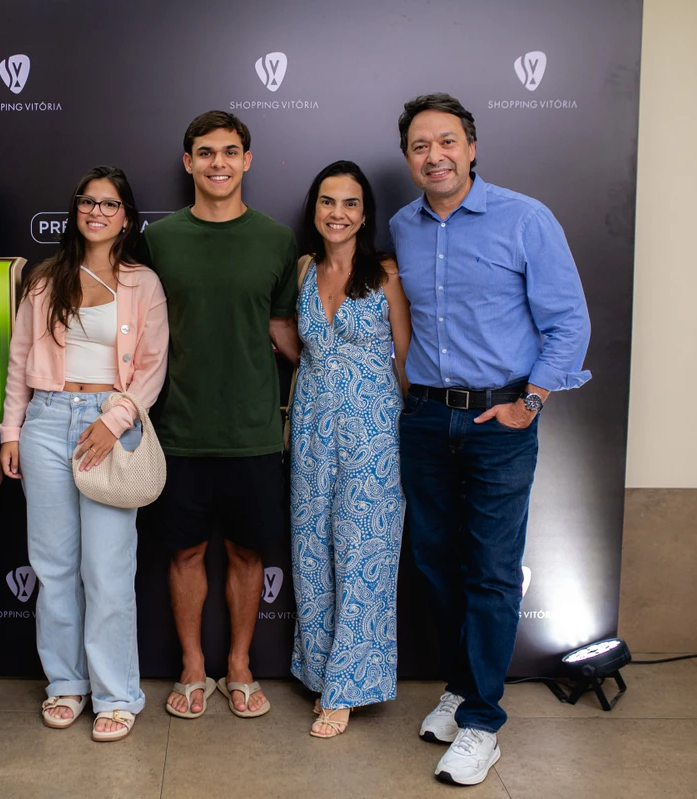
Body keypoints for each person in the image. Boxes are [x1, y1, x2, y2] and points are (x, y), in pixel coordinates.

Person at [390, 93, 591, 785]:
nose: (434, 155)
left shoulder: (525, 218)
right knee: (438, 567)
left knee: (492, 571)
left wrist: (529, 401)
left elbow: (569, 322)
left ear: (471, 147)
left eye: (447, 141)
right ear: (408, 157)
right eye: (420, 145)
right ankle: (459, 683)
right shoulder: (402, 227)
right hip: (424, 419)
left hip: (496, 422)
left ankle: (481, 721)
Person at [0, 166, 167, 743]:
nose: (97, 211)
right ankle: (66, 686)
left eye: (110, 203)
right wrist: (10, 432)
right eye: (88, 201)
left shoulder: (143, 282)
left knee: (109, 570)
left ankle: (117, 695)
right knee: (54, 568)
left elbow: (150, 368)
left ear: (126, 217)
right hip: (45, 424)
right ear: (77, 210)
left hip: (108, 428)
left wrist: (111, 421)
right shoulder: (45, 279)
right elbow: (20, 360)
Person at [144, 110, 300, 721]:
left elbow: (285, 331)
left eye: (229, 152)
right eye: (205, 153)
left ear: (247, 161)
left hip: (254, 434)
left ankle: (238, 666)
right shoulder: (158, 240)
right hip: (177, 430)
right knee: (182, 555)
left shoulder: (276, 239)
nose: (218, 163)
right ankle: (191, 667)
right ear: (188, 163)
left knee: (245, 555)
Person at [289, 160, 411, 738]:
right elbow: (294, 342)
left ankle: (347, 688)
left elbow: (407, 360)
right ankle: (319, 672)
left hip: (373, 434)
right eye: (328, 202)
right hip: (312, 429)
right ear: (315, 210)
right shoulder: (304, 271)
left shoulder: (386, 272)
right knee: (313, 552)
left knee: (365, 559)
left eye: (350, 204)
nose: (338, 213)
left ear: (365, 213)